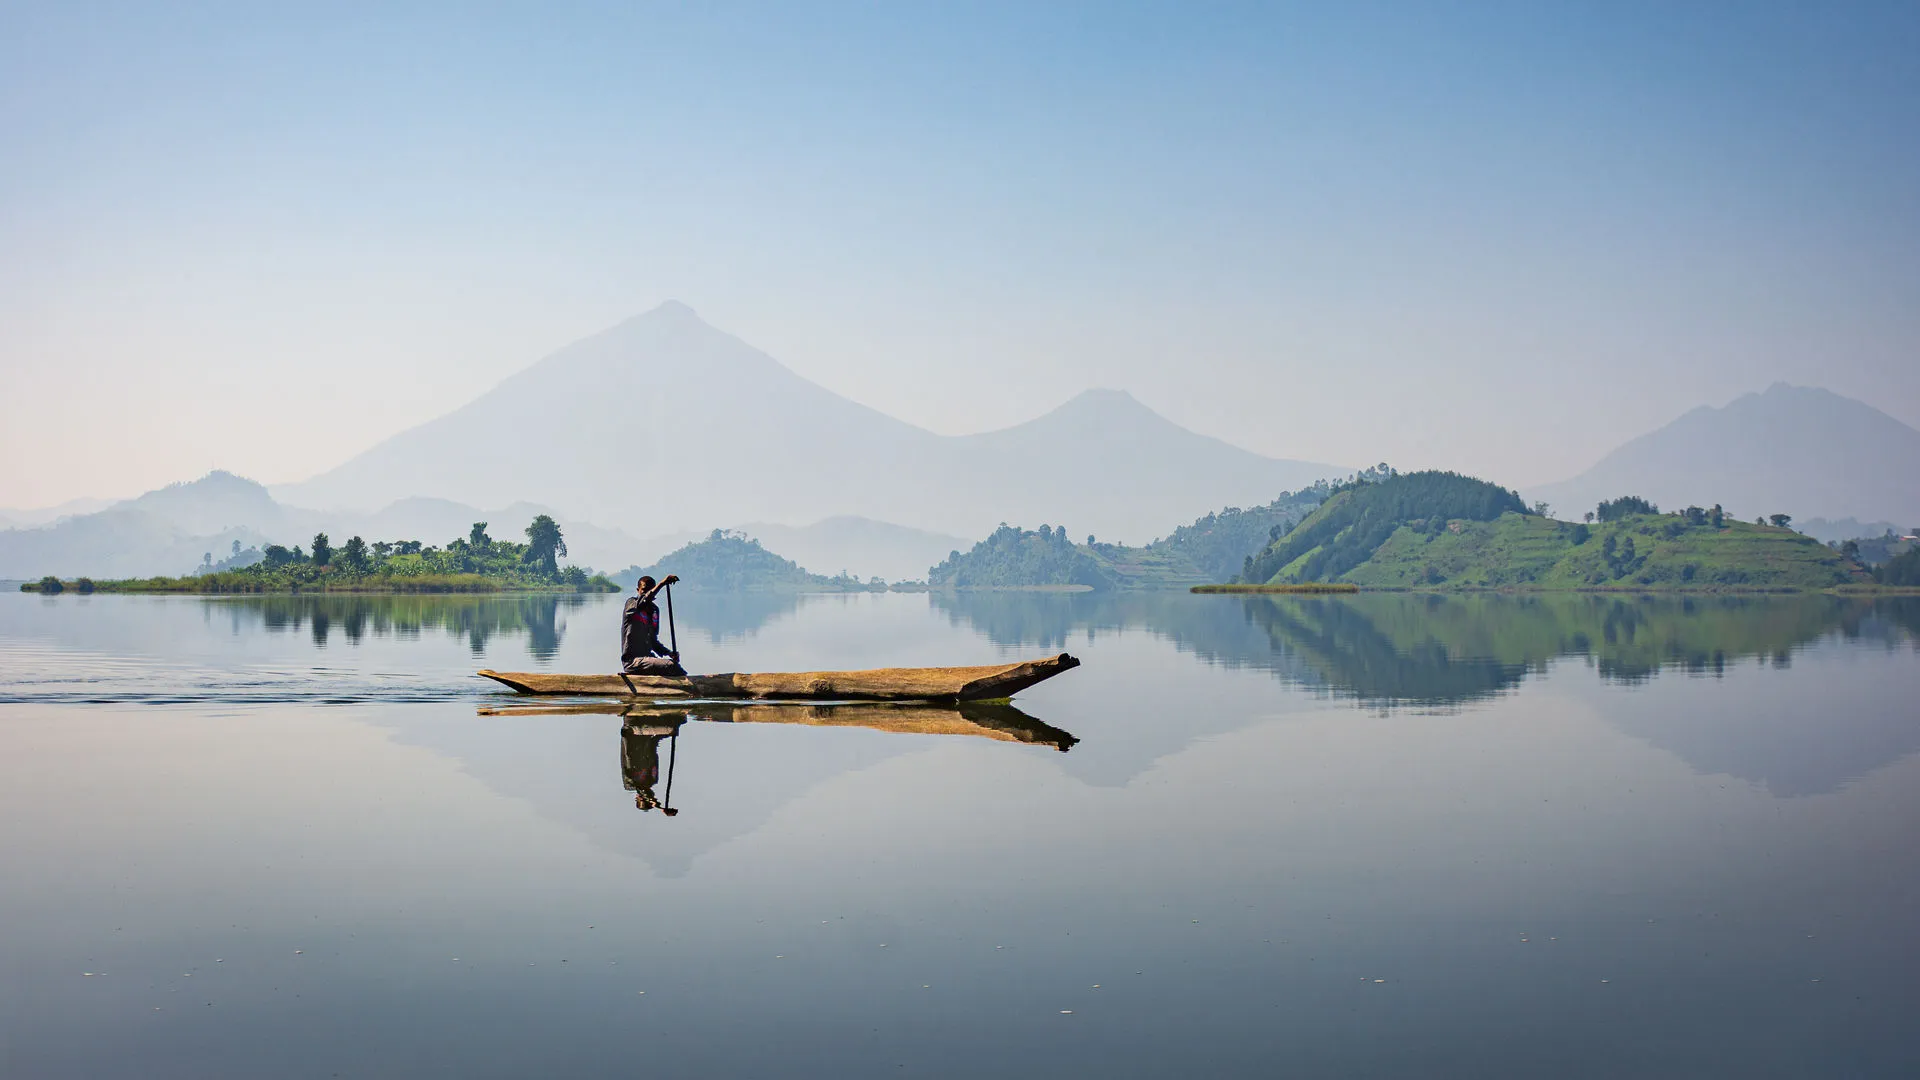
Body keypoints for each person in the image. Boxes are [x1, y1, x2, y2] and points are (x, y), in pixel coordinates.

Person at [621, 574, 685, 675]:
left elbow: (653, 642)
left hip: (648, 659)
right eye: (644, 590)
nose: (647, 593)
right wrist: (662, 583)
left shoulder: (654, 611)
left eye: (651, 590)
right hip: (633, 661)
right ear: (638, 590)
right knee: (671, 666)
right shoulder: (631, 604)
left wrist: (669, 653)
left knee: (675, 667)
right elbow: (643, 602)